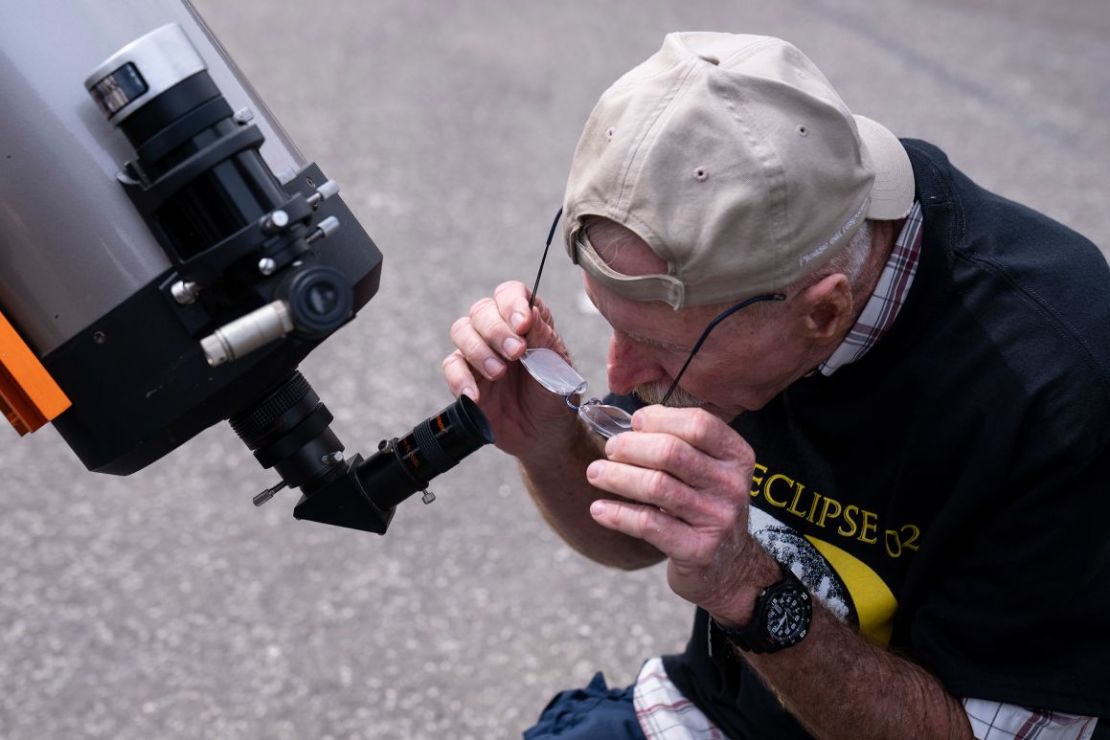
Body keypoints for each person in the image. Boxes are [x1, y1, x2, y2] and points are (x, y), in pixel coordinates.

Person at [442, 32, 1110, 739]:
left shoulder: (1056, 383)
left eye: (662, 349)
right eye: (609, 323)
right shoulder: (753, 251)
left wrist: (746, 589)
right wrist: (547, 443)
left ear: (823, 311)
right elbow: (635, 540)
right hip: (716, 711)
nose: (620, 377)